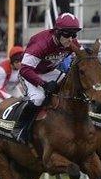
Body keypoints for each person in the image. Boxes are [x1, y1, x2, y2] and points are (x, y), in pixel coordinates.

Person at [16, 13, 82, 142]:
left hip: (49, 71)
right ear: (57, 32)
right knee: (39, 98)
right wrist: (43, 84)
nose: (71, 39)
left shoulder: (71, 42)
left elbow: (82, 54)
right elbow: (24, 69)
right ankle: (19, 127)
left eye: (74, 35)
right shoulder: (41, 43)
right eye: (67, 34)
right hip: (31, 73)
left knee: (72, 84)